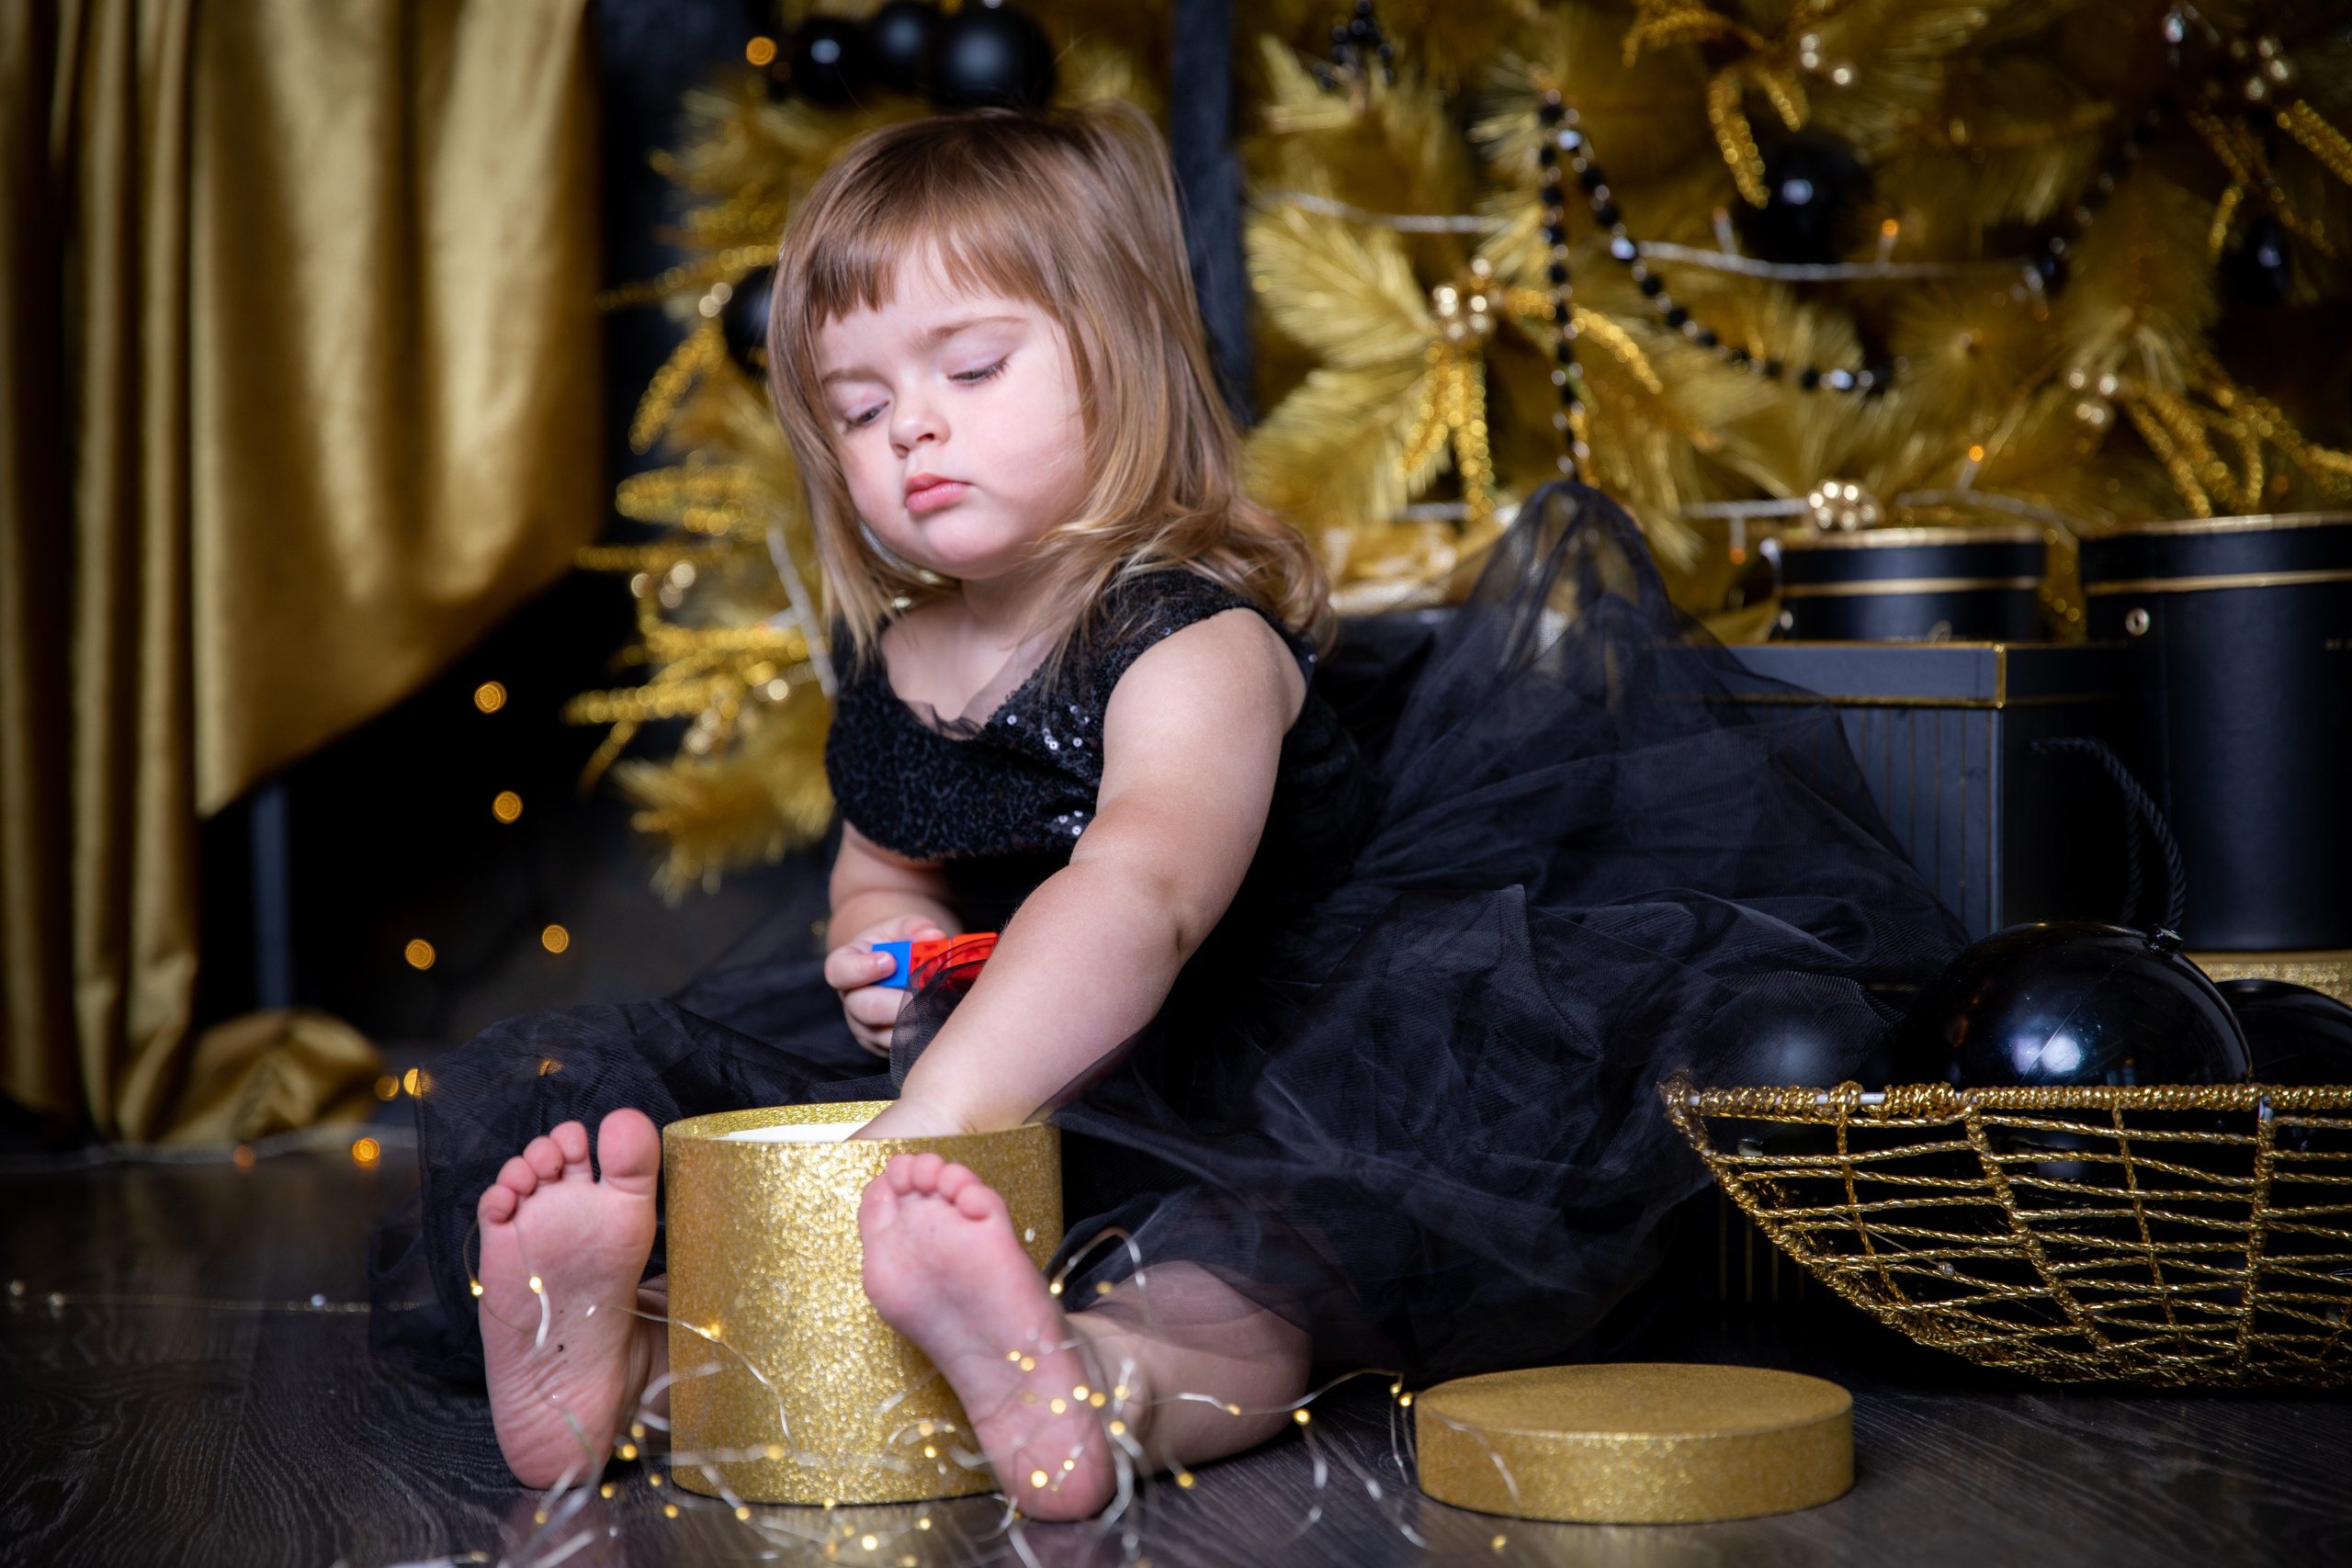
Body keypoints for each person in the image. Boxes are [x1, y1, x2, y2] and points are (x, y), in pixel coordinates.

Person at [370, 104, 1961, 1517]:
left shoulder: (1188, 638)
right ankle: (643, 1369)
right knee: (679, 1128)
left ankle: (1094, 1387)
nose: (911, 427)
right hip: (1023, 1077)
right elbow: (879, 861)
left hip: (1284, 1056)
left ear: (1119, 361)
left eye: (971, 368)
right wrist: (886, 945)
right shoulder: (907, 662)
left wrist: (935, 1125)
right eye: (857, 409)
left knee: (1267, 1273)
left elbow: (1141, 893)